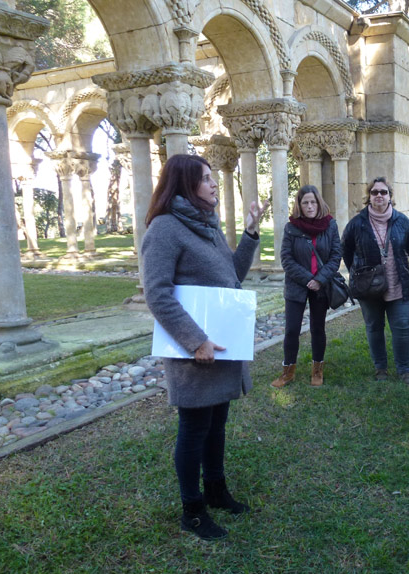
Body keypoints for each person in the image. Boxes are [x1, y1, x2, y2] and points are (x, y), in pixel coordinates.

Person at [141, 154, 267, 541]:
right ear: (185, 184)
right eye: (207, 179)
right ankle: (192, 511)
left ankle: (215, 490)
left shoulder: (207, 226)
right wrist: (196, 341)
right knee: (195, 428)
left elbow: (231, 275)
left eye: (213, 178)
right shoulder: (164, 229)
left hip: (221, 346)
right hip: (193, 352)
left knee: (217, 425)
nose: (214, 185)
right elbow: (157, 294)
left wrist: (249, 233)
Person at [342, 177, 409, 385]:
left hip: (398, 284)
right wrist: (359, 272)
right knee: (374, 328)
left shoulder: (402, 221)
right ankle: (381, 369)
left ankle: (404, 370)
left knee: (402, 328)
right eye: (374, 192)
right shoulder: (357, 223)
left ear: (390, 196)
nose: (379, 196)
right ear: (369, 197)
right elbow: (346, 250)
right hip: (369, 287)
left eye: (383, 192)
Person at [271, 185, 341, 388]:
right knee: (292, 329)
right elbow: (286, 258)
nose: (310, 206)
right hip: (296, 286)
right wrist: (307, 279)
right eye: (305, 203)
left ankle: (317, 369)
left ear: (319, 203)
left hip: (321, 286)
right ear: (299, 205)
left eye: (313, 202)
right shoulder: (291, 227)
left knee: (318, 328)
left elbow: (336, 255)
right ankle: (288, 371)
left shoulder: (330, 225)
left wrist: (319, 279)